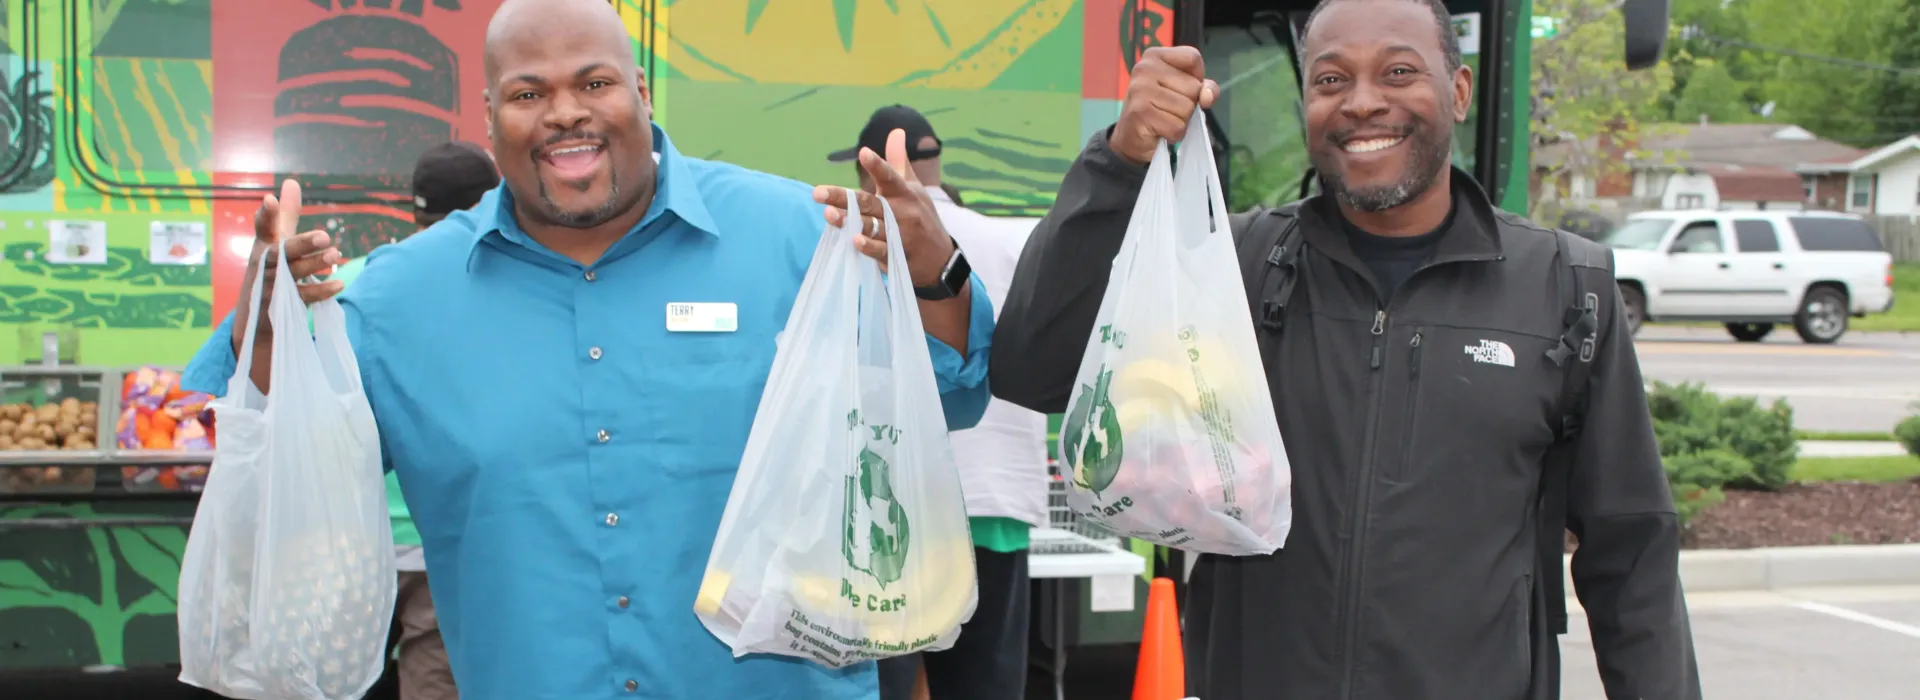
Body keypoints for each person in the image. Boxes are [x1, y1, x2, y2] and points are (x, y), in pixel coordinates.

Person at [176, 0, 995, 698]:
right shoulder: (391, 300)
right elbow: (289, 487)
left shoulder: (804, 239)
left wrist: (936, 276)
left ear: (639, 91)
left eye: (593, 83)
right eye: (529, 92)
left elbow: (954, 397)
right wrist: (268, 363)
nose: (565, 111)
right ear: (491, 117)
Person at [988, 1, 1701, 699]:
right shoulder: (1230, 267)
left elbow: (1630, 555)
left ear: (1458, 92)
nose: (1361, 103)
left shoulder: (1564, 291)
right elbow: (1036, 367)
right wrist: (1120, 163)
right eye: (1330, 80)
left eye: (1397, 72)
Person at [831, 105, 1047, 700]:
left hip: (893, 506)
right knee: (986, 684)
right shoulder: (1012, 240)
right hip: (996, 500)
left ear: (869, 169)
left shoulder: (858, 242)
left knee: (888, 684)